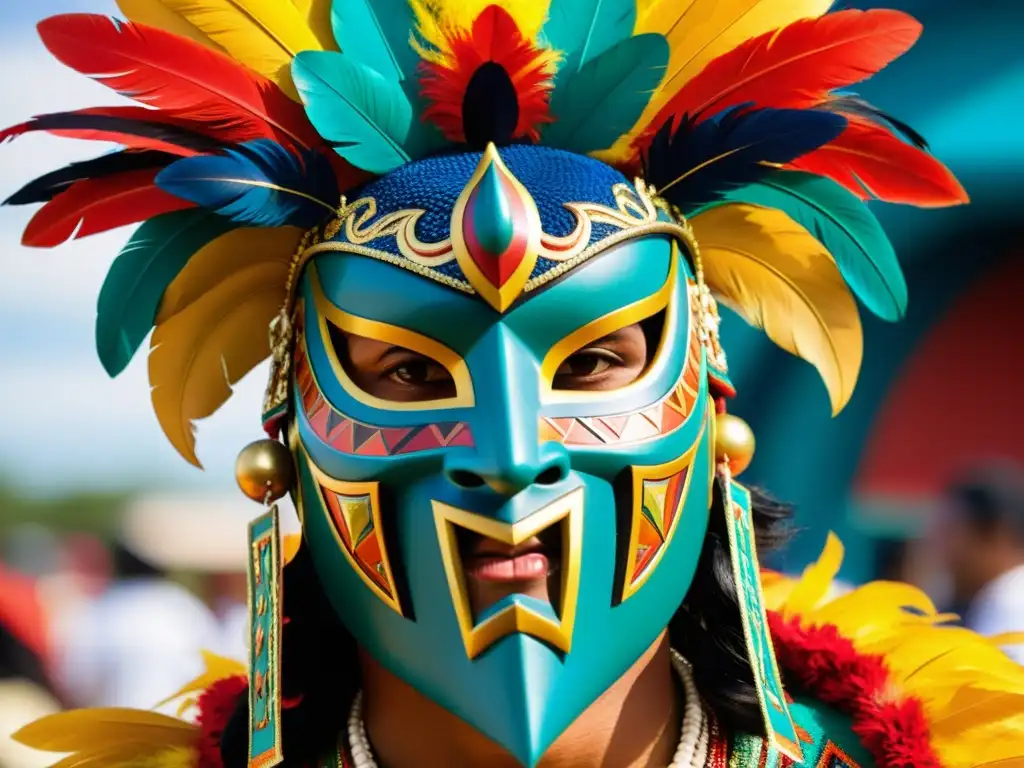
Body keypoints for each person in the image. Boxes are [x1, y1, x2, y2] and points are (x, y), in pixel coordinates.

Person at [4, 1, 1023, 766]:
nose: (508, 455)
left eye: (591, 363)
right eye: (406, 370)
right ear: (288, 440)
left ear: (714, 413)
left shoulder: (931, 744)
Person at [934, 466, 1024, 663]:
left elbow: (1003, 690)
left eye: (950, 530)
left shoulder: (1012, 598)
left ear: (995, 534)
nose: (937, 543)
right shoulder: (982, 596)